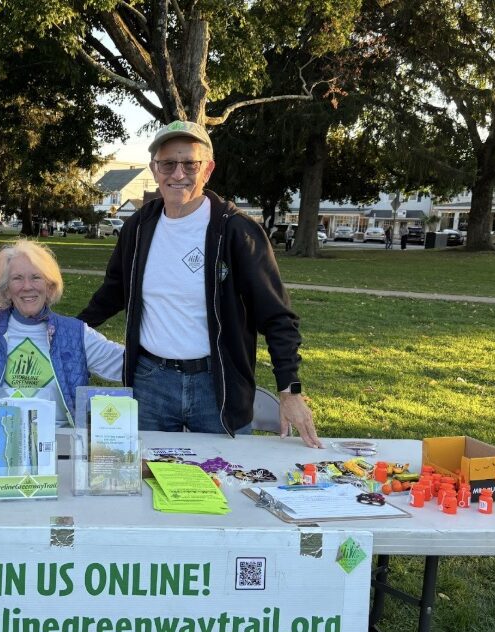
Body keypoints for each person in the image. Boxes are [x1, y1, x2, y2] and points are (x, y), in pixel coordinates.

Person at [77, 120, 321, 447]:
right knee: (147, 476)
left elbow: (277, 317)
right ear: (154, 168)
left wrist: (290, 391)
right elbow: (114, 292)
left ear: (207, 170)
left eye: (189, 163)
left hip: (217, 384)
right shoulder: (138, 228)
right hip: (151, 382)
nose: (178, 174)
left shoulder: (236, 231)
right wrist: (70, 327)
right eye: (168, 163)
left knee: (224, 475)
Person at [0, 240, 124, 426]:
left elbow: (129, 364)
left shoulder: (75, 334)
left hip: (57, 443)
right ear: (6, 289)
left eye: (36, 277)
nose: (27, 286)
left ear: (49, 286)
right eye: (17, 278)